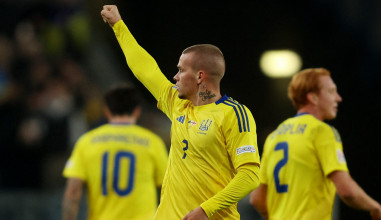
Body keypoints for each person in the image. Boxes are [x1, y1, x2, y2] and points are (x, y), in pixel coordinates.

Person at [101, 5, 261, 220]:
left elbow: (250, 175)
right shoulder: (176, 103)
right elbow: (145, 69)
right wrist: (118, 26)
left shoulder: (234, 114)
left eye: (181, 70)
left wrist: (206, 209)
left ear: (199, 76)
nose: (175, 77)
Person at [249, 68, 381, 220]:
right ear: (313, 98)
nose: (338, 98)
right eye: (331, 92)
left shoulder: (274, 136)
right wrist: (376, 208)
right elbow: (347, 192)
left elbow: (256, 198)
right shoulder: (322, 131)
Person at [62, 85, 168, 220]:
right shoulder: (153, 142)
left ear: (107, 111)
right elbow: (168, 188)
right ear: (137, 111)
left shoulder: (86, 142)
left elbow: (72, 192)